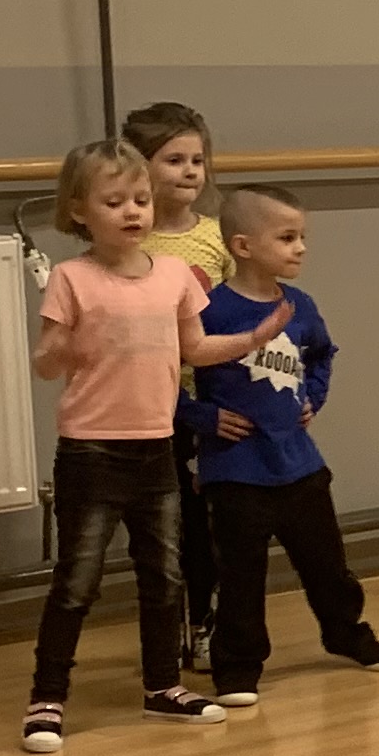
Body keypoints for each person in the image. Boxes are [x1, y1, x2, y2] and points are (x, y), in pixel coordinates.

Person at [23, 140, 286, 753]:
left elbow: (195, 348)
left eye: (140, 199)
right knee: (77, 582)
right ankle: (47, 697)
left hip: (157, 448)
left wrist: (253, 338)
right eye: (114, 201)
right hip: (90, 452)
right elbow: (46, 364)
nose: (132, 211)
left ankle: (162, 686)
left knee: (165, 576)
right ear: (79, 210)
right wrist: (60, 348)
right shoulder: (71, 278)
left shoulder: (173, 275)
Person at [192, 185, 379, 704]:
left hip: (300, 468)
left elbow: (322, 355)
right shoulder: (210, 311)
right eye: (287, 238)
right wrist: (203, 417)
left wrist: (313, 398)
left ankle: (345, 633)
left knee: (327, 564)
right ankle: (238, 665)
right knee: (240, 576)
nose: (301, 247)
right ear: (243, 246)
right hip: (236, 472)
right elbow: (160, 376)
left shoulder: (300, 306)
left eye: (301, 236)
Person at [123, 100, 228, 647]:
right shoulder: (129, 243)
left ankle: (209, 620)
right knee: (167, 524)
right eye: (173, 160)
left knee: (211, 520)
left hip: (212, 401)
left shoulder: (217, 236)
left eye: (197, 160)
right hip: (153, 407)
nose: (190, 171)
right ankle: (172, 626)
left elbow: (237, 316)